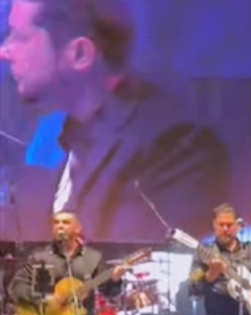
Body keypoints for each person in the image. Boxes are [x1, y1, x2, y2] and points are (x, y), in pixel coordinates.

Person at [0, 0, 230, 242]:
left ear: (79, 54)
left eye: (21, 37)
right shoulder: (46, 132)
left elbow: (140, 259)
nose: (4, 52)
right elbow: (18, 233)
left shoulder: (176, 146)